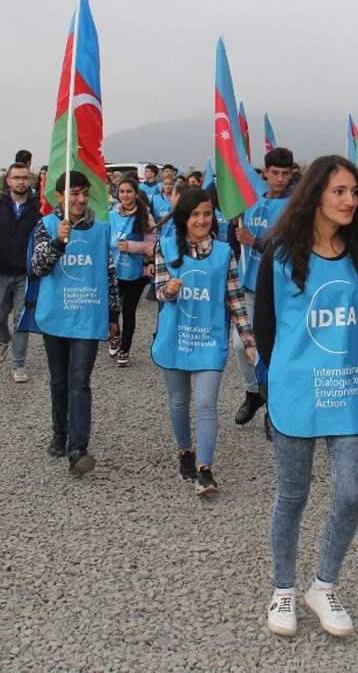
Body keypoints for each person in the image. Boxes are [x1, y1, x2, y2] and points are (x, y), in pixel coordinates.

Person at [254, 155, 358, 639]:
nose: (350, 201)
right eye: (340, 192)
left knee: (349, 494)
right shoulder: (280, 253)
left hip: (347, 389)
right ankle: (283, 588)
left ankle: (323, 585)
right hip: (296, 391)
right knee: (293, 494)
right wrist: (280, 379)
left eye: (354, 193)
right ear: (316, 196)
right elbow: (266, 326)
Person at [152, 187, 255, 495]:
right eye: (195, 214)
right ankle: (186, 451)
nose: (202, 220)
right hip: (175, 337)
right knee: (179, 401)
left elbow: (235, 299)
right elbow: (159, 290)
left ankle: (205, 469)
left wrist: (248, 340)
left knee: (206, 403)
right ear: (184, 218)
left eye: (207, 214)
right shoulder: (166, 247)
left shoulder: (225, 253)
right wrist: (168, 289)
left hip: (210, 339)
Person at [31, 171, 120, 474]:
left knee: (79, 381)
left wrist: (113, 315)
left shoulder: (101, 230)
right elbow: (37, 267)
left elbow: (108, 273)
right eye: (74, 193)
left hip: (87, 315)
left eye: (84, 193)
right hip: (56, 316)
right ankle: (60, 432)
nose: (81, 199)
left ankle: (78, 449)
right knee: (59, 379)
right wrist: (58, 241)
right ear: (59, 197)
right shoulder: (47, 225)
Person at [232, 147, 294, 427]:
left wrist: (254, 241)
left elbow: (289, 244)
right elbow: (237, 240)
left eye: (285, 173)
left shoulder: (295, 205)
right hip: (250, 284)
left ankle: (275, 407)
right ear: (265, 173)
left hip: (280, 287)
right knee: (239, 345)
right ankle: (254, 392)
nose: (280, 179)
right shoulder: (251, 202)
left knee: (273, 348)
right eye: (275, 173)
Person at [0, 163, 41, 381]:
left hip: (26, 274)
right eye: (16, 178)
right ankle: (3, 339)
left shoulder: (37, 208)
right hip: (1, 271)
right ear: (9, 180)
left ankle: (18, 365)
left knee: (21, 319)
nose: (21, 181)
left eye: (24, 177)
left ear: (30, 181)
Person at [108, 178, 156, 368]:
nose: (125, 195)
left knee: (128, 312)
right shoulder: (112, 214)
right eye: (122, 192)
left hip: (135, 274)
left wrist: (131, 246)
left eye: (129, 192)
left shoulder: (145, 216)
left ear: (136, 194)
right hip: (113, 272)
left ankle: (125, 349)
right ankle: (115, 335)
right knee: (111, 309)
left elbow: (151, 244)